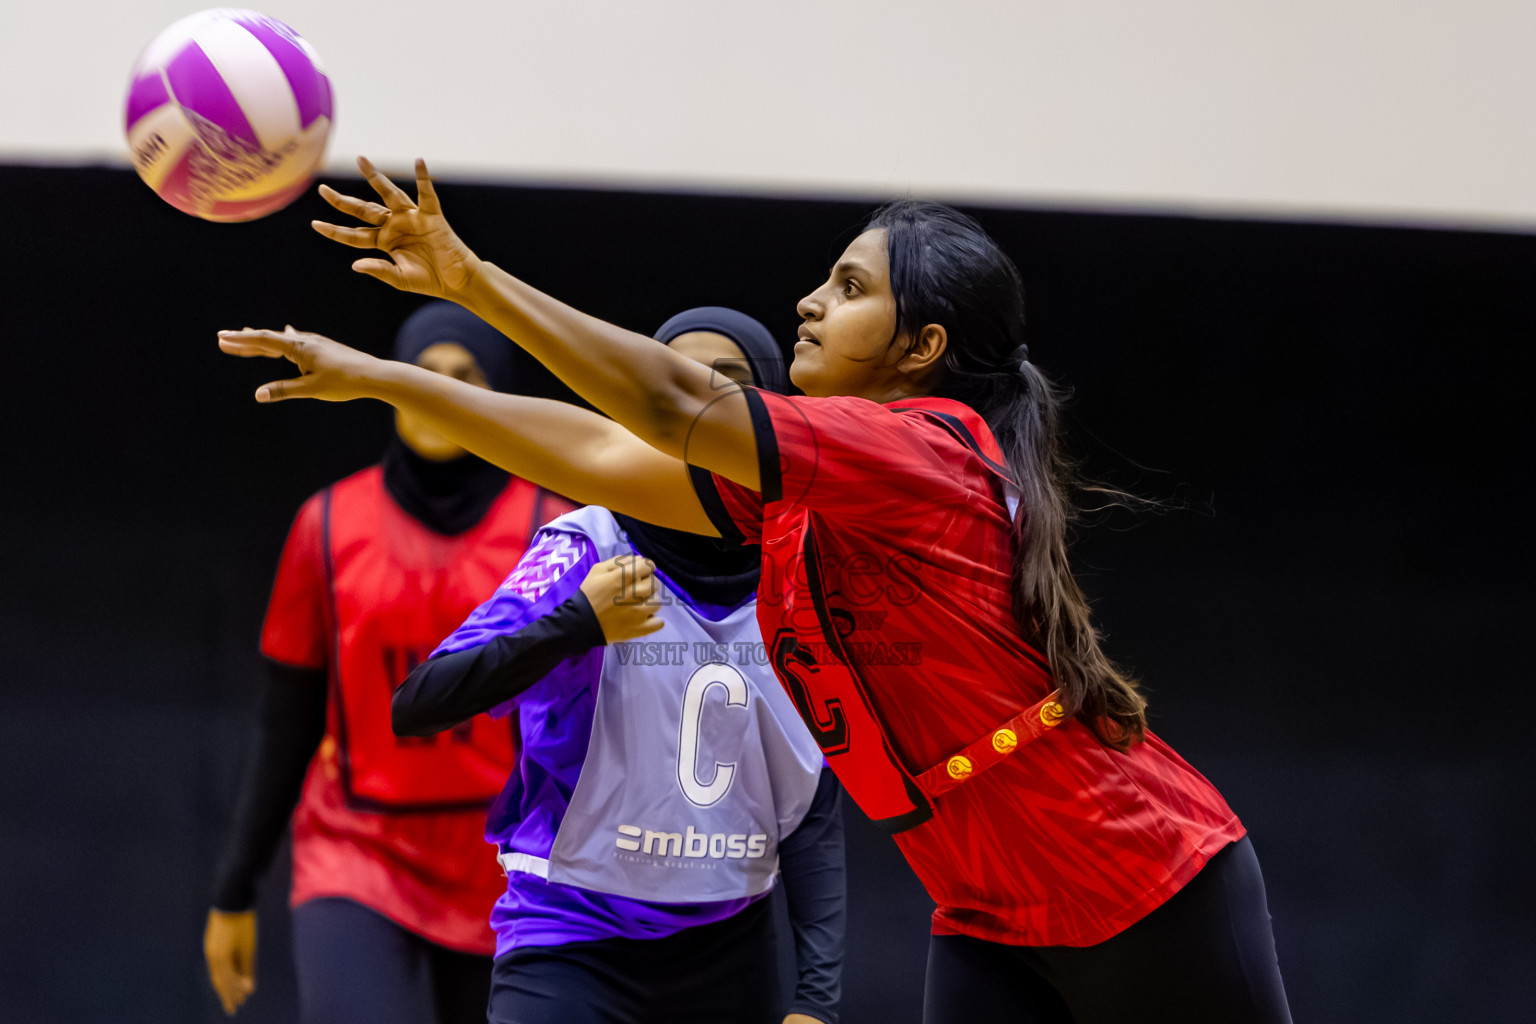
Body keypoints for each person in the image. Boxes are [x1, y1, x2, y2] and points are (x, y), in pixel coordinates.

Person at [218, 157, 1293, 1023]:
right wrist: (378, 374)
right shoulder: (796, 496)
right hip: (981, 902)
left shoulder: (927, 451)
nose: (811, 303)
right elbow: (599, 449)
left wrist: (469, 278)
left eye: (852, 288)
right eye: (827, 279)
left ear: (922, 348)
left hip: (1136, 874)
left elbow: (670, 399)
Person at [388, 307, 845, 1024]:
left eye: (727, 386)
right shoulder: (586, 545)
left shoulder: (799, 573)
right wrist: (579, 625)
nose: (700, 405)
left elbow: (809, 799)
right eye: (677, 382)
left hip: (729, 946)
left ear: (766, 420)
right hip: (570, 936)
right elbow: (419, 703)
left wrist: (818, 999)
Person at [204, 301, 575, 1023]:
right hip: (358, 853)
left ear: (492, 394)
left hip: (503, 868)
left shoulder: (554, 528)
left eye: (462, 377)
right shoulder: (328, 524)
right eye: (420, 375)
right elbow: (286, 723)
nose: (438, 391)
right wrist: (234, 886)